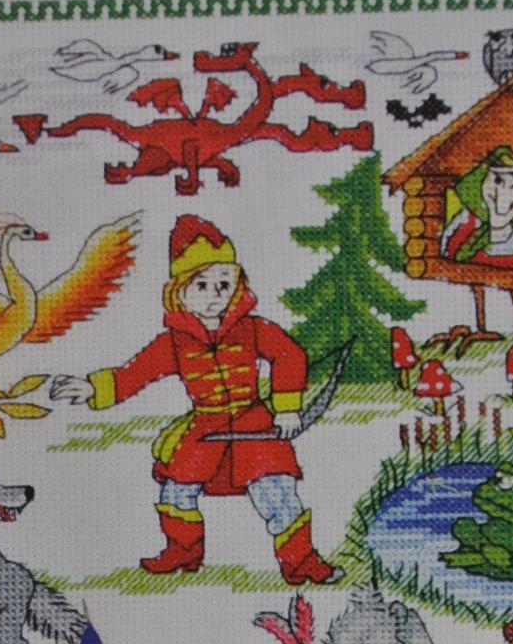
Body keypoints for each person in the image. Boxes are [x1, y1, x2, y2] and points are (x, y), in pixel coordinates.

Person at [51, 215, 338, 584]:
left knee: (276, 490)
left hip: (255, 426)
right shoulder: (174, 342)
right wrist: (93, 388)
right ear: (179, 291)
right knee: (176, 487)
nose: (214, 294)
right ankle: (182, 552)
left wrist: (287, 409)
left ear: (237, 284)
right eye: (201, 285)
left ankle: (302, 562)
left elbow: (290, 356)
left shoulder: (253, 329)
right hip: (205, 429)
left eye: (224, 284)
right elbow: (135, 373)